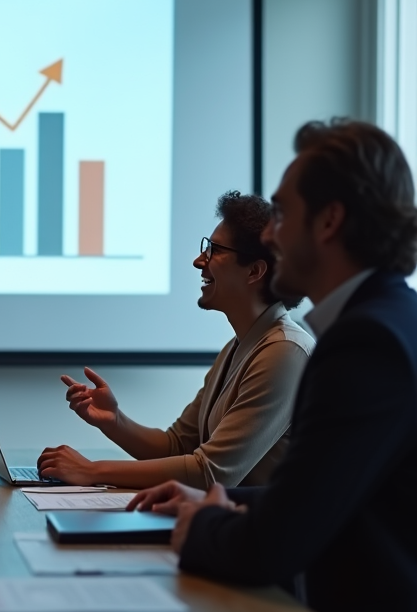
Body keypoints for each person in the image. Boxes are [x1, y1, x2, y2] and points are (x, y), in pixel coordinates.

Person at [129, 120, 417, 612]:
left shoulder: (366, 341)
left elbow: (275, 544)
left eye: (281, 214)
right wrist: (227, 502)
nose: (269, 235)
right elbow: (324, 495)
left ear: (329, 221)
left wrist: (205, 522)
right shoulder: (385, 320)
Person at [38, 191, 314, 490]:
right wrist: (114, 421)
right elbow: (176, 447)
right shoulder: (239, 348)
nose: (199, 261)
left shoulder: (285, 352)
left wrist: (92, 471)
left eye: (214, 250)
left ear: (254, 271)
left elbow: (212, 473)